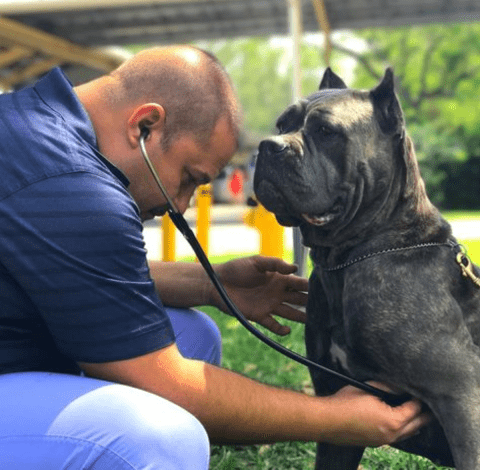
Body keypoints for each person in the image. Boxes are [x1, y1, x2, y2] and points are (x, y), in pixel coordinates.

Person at [0, 45, 429, 469]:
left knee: (193, 336)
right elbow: (169, 384)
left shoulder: (35, 123)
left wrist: (210, 285)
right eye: (189, 178)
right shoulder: (71, 184)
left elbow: (71, 267)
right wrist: (336, 418)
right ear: (146, 125)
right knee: (162, 438)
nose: (180, 206)